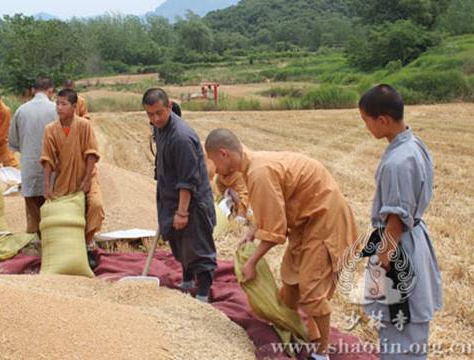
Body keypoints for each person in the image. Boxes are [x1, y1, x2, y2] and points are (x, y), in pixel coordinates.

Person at [205, 128, 357, 360]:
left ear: (224, 154)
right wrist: (253, 232)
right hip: (305, 223)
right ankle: (300, 329)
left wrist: (252, 262)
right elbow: (271, 207)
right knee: (291, 280)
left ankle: (322, 352)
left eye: (214, 160)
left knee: (311, 289)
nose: (214, 168)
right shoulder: (250, 166)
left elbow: (276, 232)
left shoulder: (258, 172)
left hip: (325, 221)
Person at [358, 84, 442, 359]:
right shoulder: (413, 143)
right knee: (406, 333)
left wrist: (384, 265)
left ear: (382, 119)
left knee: (400, 326)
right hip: (412, 240)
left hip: (398, 249)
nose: (366, 127)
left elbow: (395, 220)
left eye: (366, 121)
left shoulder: (398, 161)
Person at [143, 88, 217, 303]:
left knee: (198, 247)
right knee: (180, 243)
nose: (155, 119)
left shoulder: (182, 138)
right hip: (171, 195)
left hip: (192, 203)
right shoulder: (159, 128)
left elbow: (188, 181)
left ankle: (203, 295)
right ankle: (186, 283)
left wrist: (182, 212)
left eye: (159, 113)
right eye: (150, 114)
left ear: (169, 107)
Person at [40, 89, 104, 244]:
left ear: (74, 106)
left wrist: (87, 179)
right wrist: (47, 185)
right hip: (63, 179)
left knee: (95, 205)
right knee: (60, 213)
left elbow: (91, 153)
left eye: (64, 104)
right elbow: (47, 158)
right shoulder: (50, 129)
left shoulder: (84, 125)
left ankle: (87, 241)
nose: (59, 108)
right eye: (57, 104)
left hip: (86, 175)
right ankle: (68, 244)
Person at [9, 78, 57, 235]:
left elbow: (14, 142)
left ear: (32, 90)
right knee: (53, 208)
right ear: (50, 91)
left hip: (29, 166)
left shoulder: (21, 110)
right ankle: (51, 240)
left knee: (33, 209)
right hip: (54, 168)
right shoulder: (57, 109)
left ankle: (34, 241)